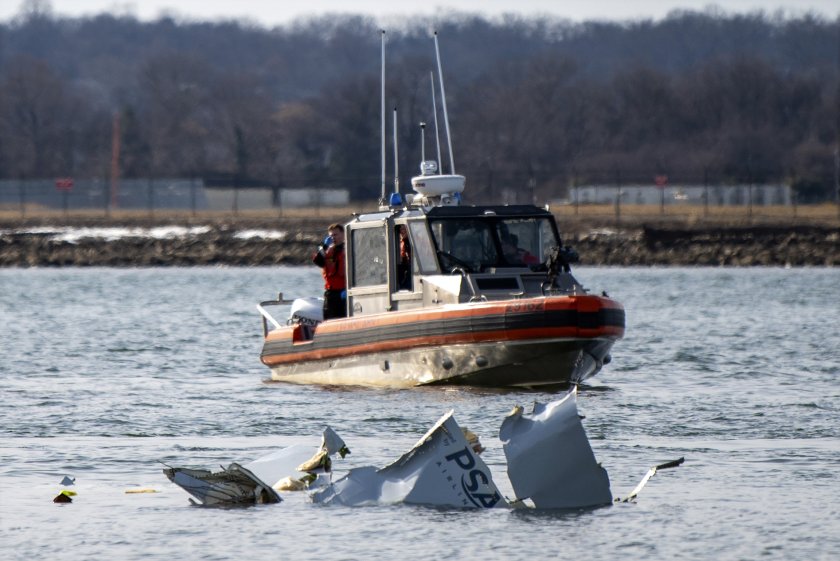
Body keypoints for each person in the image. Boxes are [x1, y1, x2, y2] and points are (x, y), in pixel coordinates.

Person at [313, 223, 346, 319]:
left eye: (335, 235)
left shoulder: (348, 249)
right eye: (331, 235)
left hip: (344, 292)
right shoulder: (327, 250)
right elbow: (318, 261)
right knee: (329, 318)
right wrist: (324, 246)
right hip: (331, 293)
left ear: (343, 234)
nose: (333, 238)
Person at [397, 225, 412, 290]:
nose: (402, 231)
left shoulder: (410, 242)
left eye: (404, 229)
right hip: (402, 266)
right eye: (401, 230)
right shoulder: (399, 242)